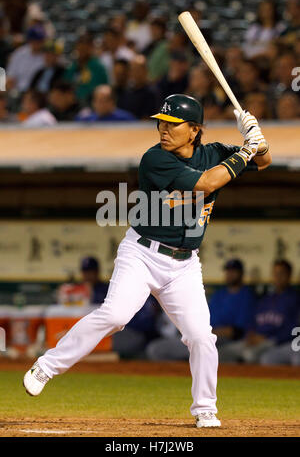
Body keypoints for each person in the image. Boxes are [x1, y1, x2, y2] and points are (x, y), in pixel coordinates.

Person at [23, 94, 272, 429]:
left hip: (183, 264)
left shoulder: (213, 153)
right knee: (115, 314)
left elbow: (265, 161)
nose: (163, 129)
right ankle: (47, 365)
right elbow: (207, 183)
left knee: (201, 336)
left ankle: (205, 409)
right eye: (161, 122)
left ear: (195, 130)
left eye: (172, 124)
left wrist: (257, 139)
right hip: (142, 253)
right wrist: (245, 150)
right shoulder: (155, 160)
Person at [218, 260, 300, 364]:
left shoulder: (295, 299)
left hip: (273, 341)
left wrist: (267, 338)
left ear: (289, 275)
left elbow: (294, 328)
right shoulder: (265, 300)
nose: (278, 277)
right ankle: (236, 379)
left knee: (250, 355)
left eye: (281, 273)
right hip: (255, 339)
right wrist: (250, 334)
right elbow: (252, 321)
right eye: (275, 273)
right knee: (222, 353)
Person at [209, 259, 256, 347]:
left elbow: (236, 332)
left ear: (241, 273)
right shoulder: (218, 294)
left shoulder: (246, 296)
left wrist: (209, 333)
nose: (229, 274)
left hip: (230, 340)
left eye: (233, 271)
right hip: (210, 335)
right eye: (228, 271)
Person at [64, 33, 108, 105]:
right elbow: (65, 85)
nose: (82, 51)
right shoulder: (72, 67)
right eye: (80, 48)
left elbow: (98, 90)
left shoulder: (98, 68)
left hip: (89, 105)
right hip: (69, 105)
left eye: (85, 48)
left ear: (91, 48)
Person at [6, 25, 46, 93]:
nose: (37, 43)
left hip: (38, 94)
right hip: (18, 92)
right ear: (29, 40)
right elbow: (10, 78)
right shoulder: (19, 53)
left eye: (40, 40)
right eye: (35, 40)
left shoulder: (47, 56)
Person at [118, 55, 158, 119]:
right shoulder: (126, 92)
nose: (134, 73)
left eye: (137, 70)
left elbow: (148, 119)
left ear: (145, 71)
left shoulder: (152, 93)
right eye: (132, 70)